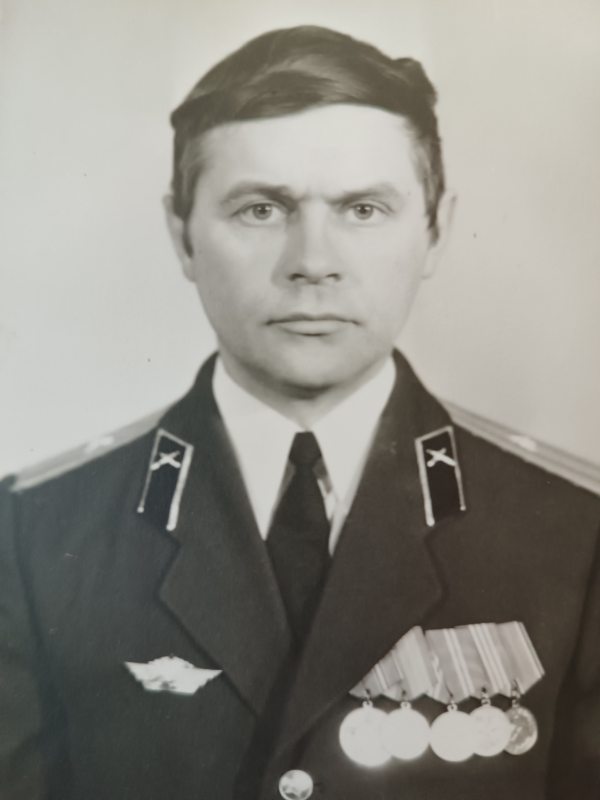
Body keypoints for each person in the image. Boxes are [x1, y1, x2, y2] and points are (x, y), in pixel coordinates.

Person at [0, 24, 599, 800]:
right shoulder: (32, 537)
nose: (312, 263)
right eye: (260, 210)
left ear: (436, 230)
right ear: (182, 236)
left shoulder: (576, 535)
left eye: (363, 209)